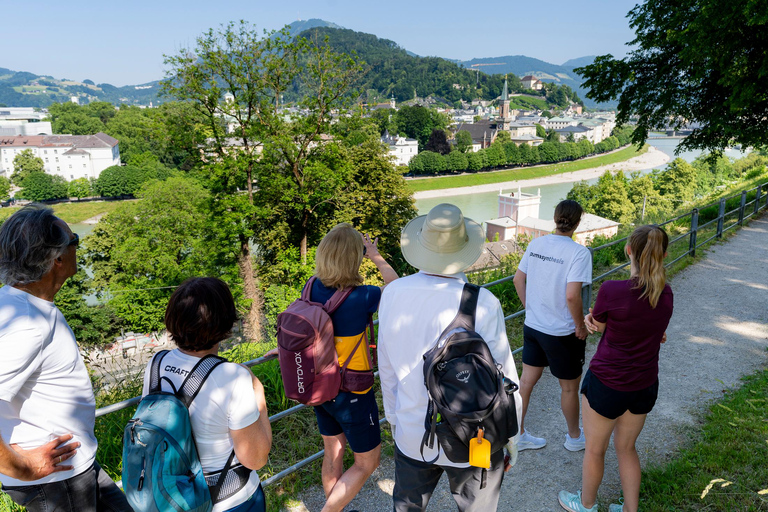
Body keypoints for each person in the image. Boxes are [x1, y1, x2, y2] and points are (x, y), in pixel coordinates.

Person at [378, 203, 522, 512]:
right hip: (475, 434)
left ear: (421, 245)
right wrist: (512, 436)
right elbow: (506, 376)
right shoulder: (482, 301)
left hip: (413, 432)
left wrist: (394, 419)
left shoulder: (392, 294)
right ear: (464, 248)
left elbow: (386, 368)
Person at [0, 204, 132, 512]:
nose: (77, 248)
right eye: (75, 241)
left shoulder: (16, 303)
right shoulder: (27, 325)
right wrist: (21, 467)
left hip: (75, 465)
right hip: (56, 480)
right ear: (57, 258)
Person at [558, 225, 674, 512]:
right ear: (664, 254)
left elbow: (598, 323)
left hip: (607, 383)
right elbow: (652, 330)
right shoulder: (666, 294)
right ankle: (629, 510)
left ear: (628, 250)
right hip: (644, 384)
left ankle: (586, 505)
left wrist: (590, 322)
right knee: (626, 448)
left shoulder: (612, 289)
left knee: (596, 450)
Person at [141, 277, 272, 512]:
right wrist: (258, 392)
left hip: (174, 498)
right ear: (226, 322)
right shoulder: (232, 377)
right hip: (231, 501)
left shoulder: (156, 364)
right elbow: (256, 459)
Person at [303, 223, 398, 512]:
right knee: (367, 463)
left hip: (320, 385)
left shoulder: (310, 286)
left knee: (333, 452)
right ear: (354, 258)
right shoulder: (364, 296)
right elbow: (397, 289)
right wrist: (376, 256)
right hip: (352, 392)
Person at [513, 199, 592, 452]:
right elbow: (572, 296)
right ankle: (573, 437)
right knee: (569, 388)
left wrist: (530, 308)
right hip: (561, 333)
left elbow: (518, 280)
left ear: (555, 218)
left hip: (533, 326)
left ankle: (518, 435)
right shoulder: (578, 253)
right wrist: (580, 326)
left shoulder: (536, 243)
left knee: (526, 382)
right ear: (577, 223)